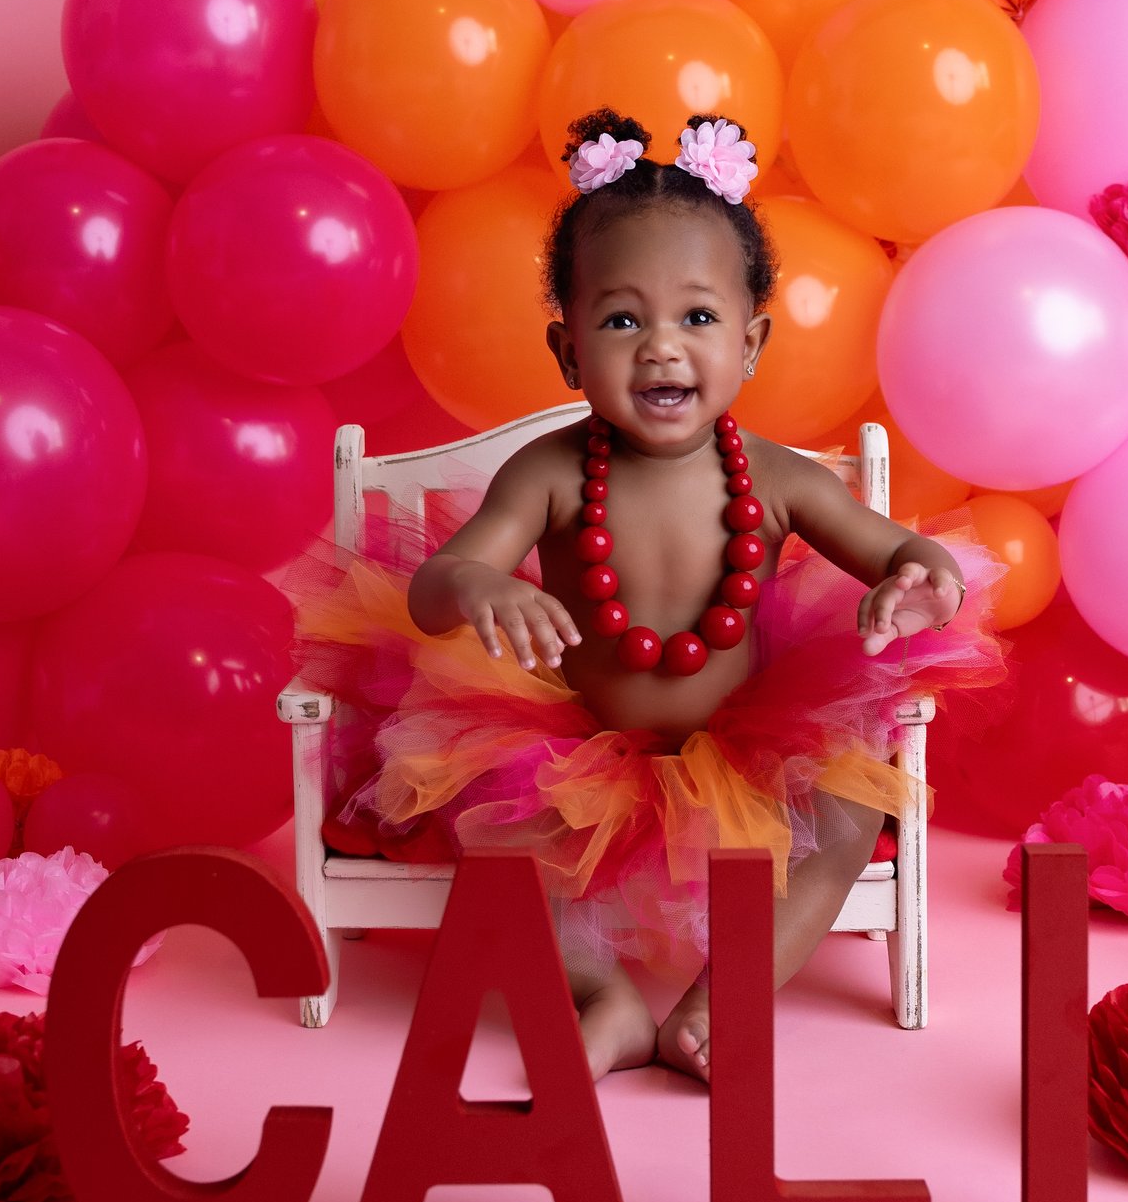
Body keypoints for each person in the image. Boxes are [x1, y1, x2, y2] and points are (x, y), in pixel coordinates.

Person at [293, 109, 1005, 1082]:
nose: (662, 348)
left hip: (749, 747)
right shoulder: (546, 472)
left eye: (698, 318)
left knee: (844, 816)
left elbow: (909, 551)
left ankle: (721, 1002)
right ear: (566, 352)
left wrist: (916, 580)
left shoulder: (777, 477)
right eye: (622, 318)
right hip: (577, 742)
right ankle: (605, 997)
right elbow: (430, 589)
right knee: (498, 833)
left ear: (751, 344)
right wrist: (479, 582)